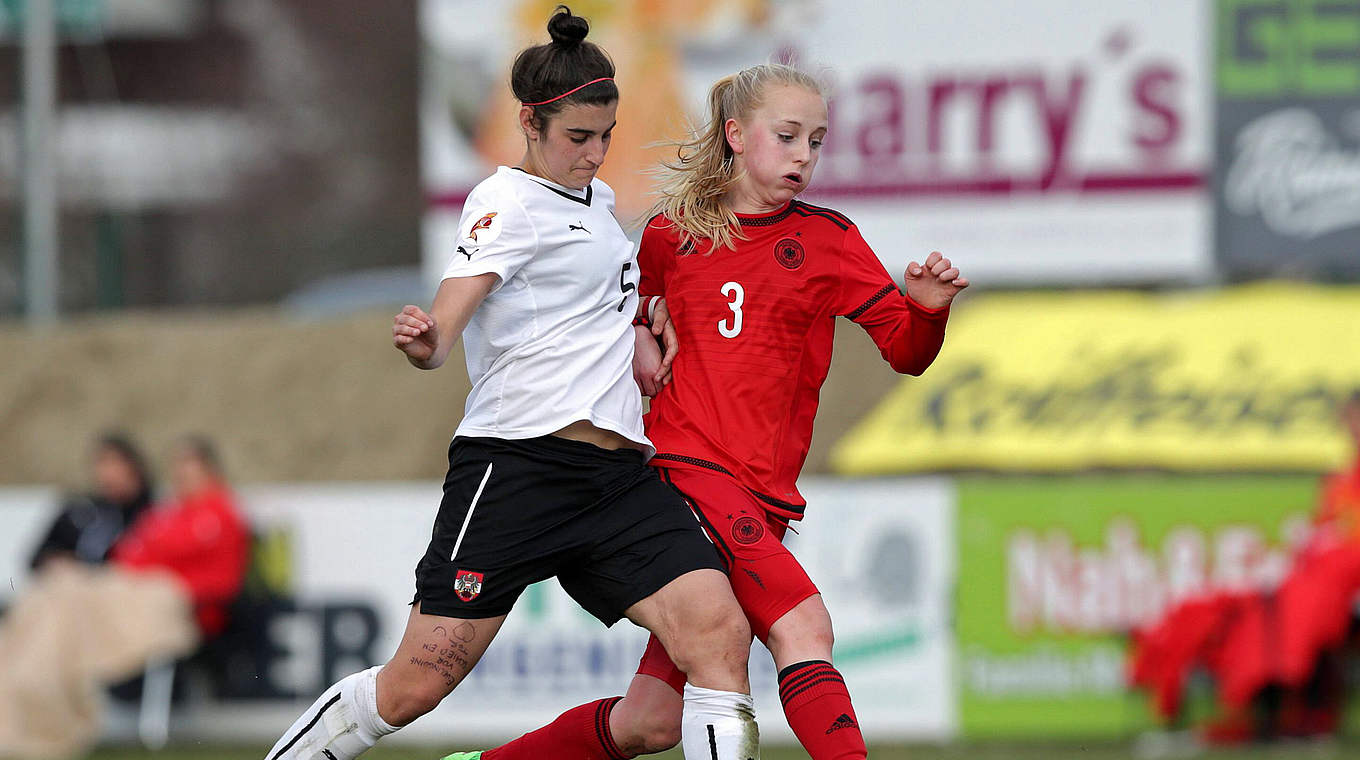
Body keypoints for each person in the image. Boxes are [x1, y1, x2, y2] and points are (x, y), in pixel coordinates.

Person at [264, 8, 758, 760]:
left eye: (605, 137)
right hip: (520, 467)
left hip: (618, 478)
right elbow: (446, 323)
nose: (595, 156)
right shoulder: (506, 203)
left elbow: (589, 313)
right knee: (414, 687)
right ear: (530, 123)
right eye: (578, 138)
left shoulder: (596, 209)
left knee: (720, 632)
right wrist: (428, 341)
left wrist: (642, 332)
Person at [444, 63, 967, 760]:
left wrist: (928, 310)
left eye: (816, 141)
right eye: (787, 136)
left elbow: (906, 352)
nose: (803, 156)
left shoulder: (831, 241)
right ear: (736, 135)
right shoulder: (667, 236)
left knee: (649, 723)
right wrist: (636, 345)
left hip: (764, 495)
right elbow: (622, 333)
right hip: (687, 474)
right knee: (804, 627)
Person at [0, 435, 250, 759]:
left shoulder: (218, 514)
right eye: (178, 472)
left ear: (210, 472)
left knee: (65, 602)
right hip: (127, 588)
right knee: (51, 599)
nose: (182, 479)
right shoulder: (173, 513)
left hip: (170, 603)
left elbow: (218, 581)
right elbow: (131, 555)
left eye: (190, 471)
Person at [28, 432, 154, 571]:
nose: (108, 472)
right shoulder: (79, 512)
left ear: (134, 468)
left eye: (115, 463)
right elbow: (37, 558)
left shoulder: (152, 514)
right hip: (76, 582)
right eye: (102, 463)